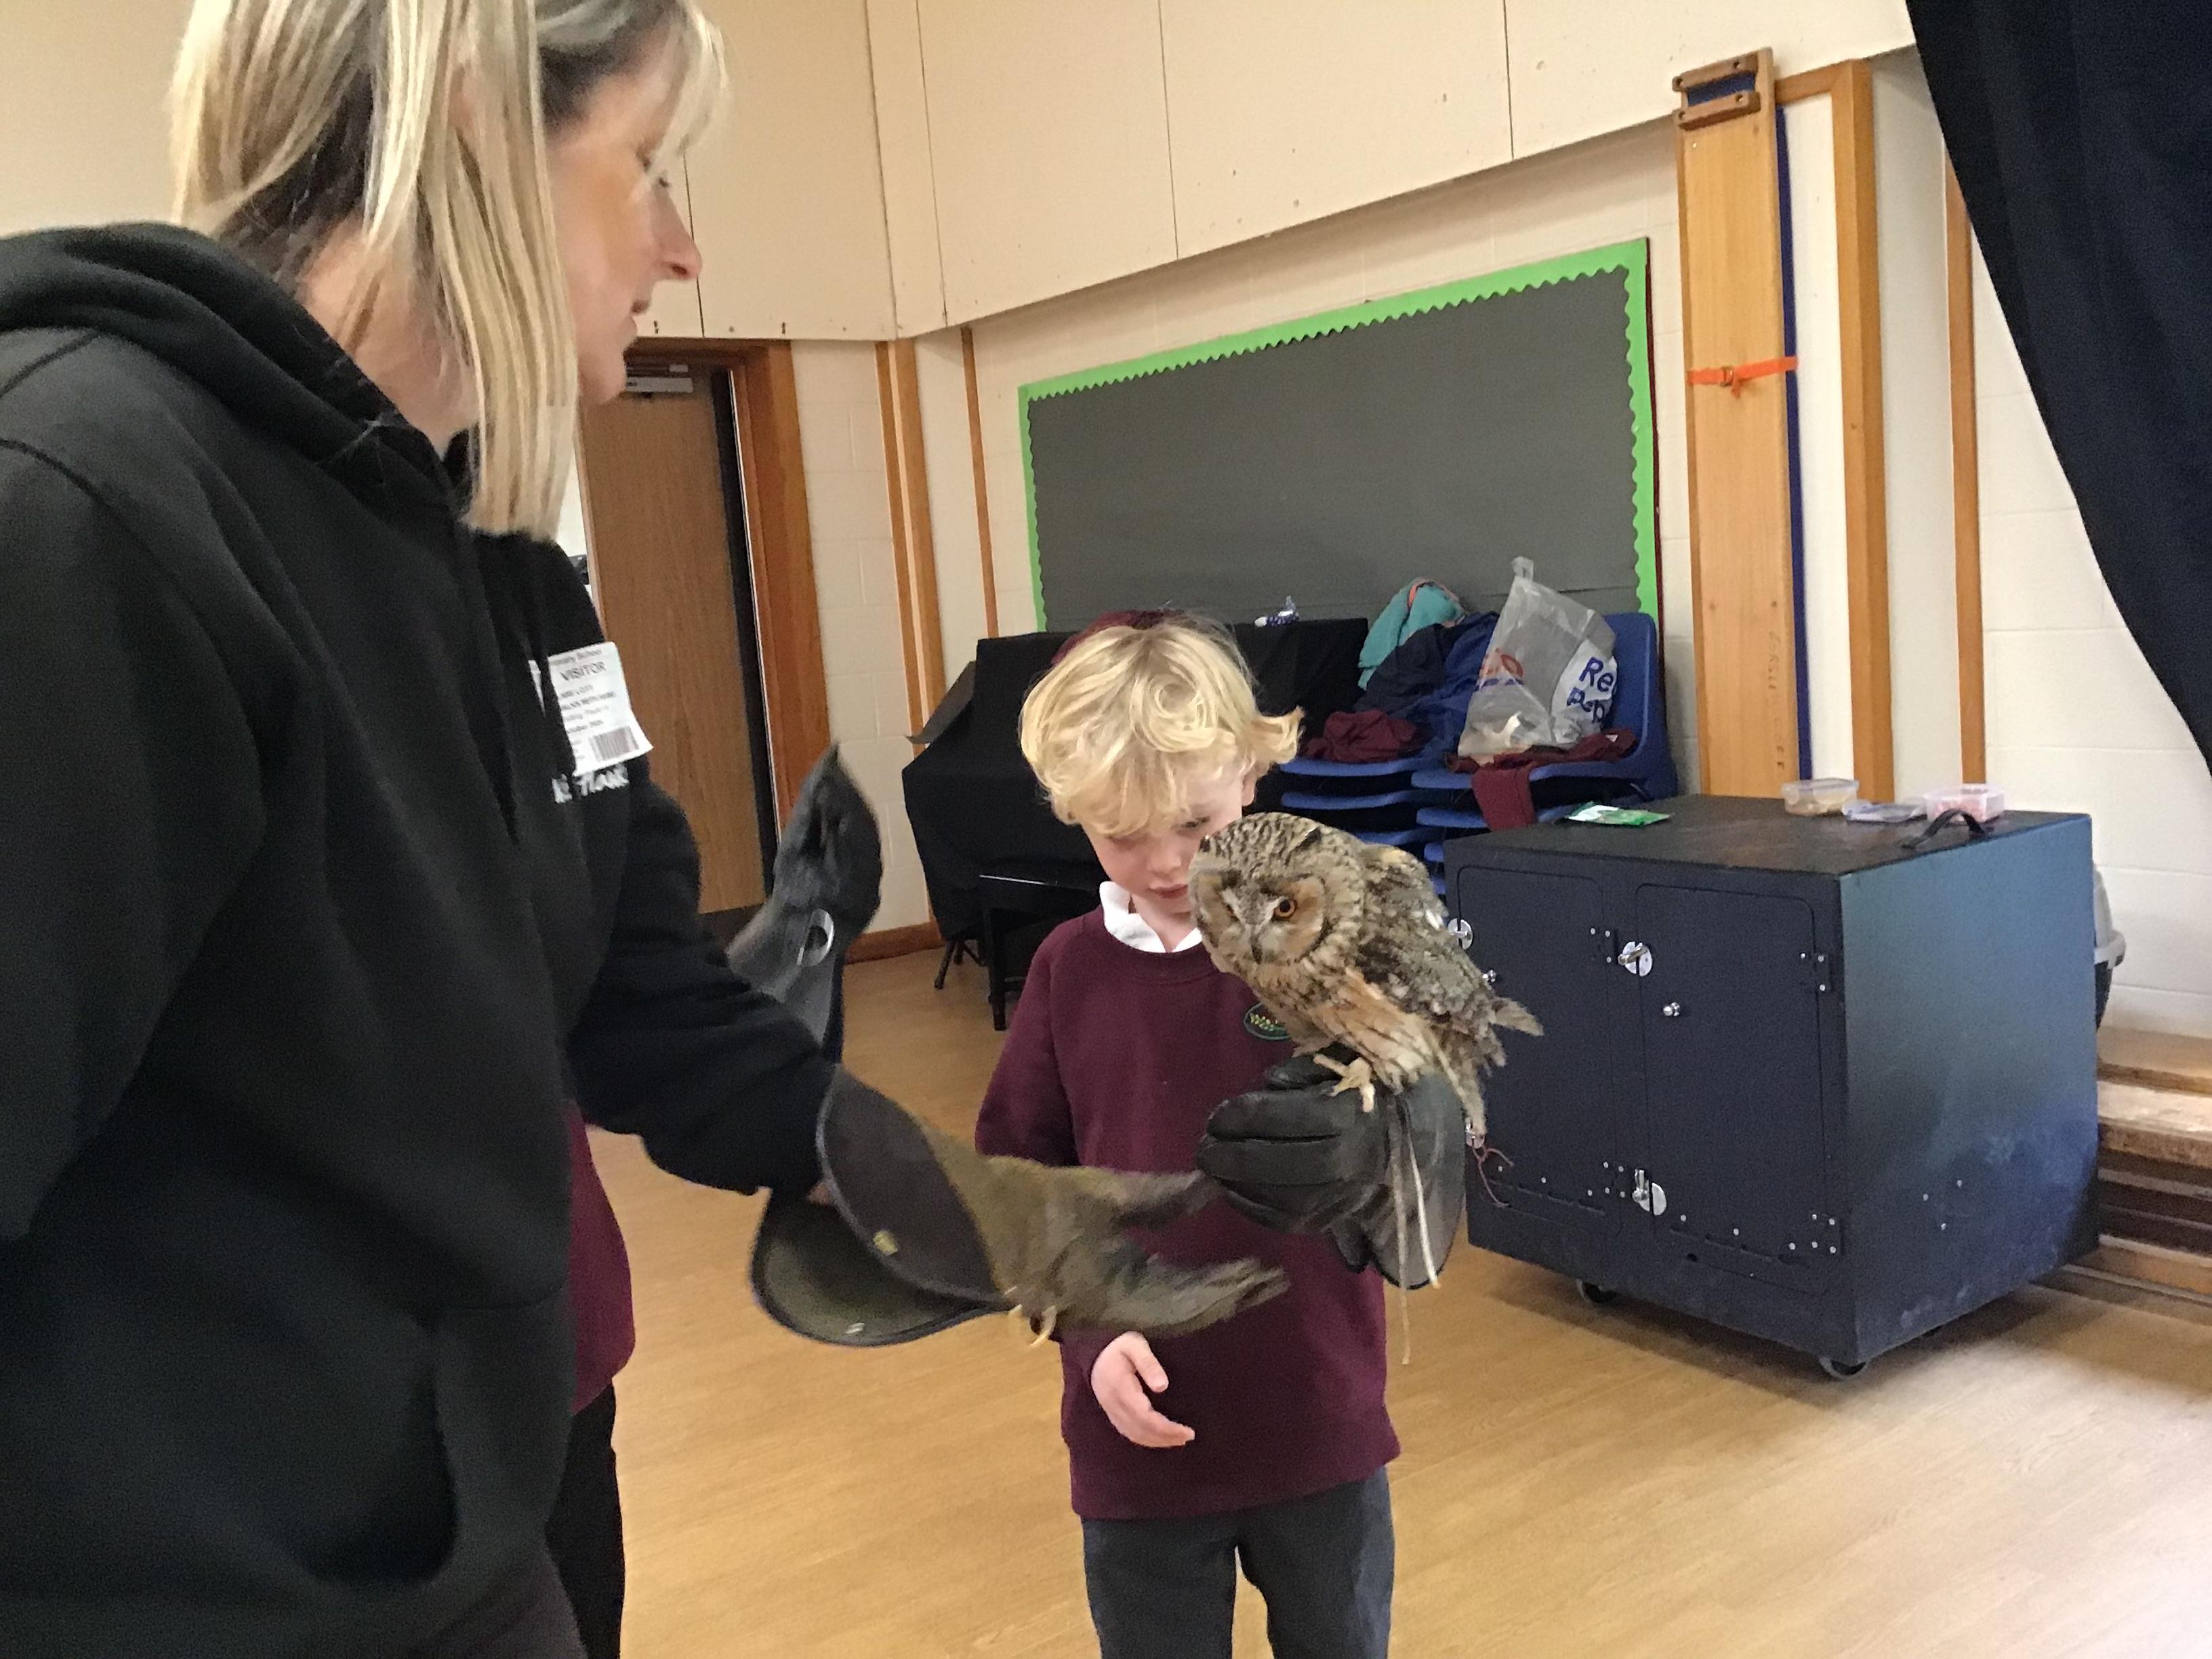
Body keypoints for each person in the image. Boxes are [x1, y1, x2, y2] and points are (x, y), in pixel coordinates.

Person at [975, 614, 1400, 1659]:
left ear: (1249, 777)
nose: (1165, 863)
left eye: (1196, 826)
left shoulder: (1329, 950)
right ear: (1073, 812)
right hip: (1137, 1434)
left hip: (1315, 1410)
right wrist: (1087, 1332)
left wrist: (1394, 1136)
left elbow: (1422, 1145)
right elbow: (1018, 1189)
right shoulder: (1066, 974)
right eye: (1123, 834)